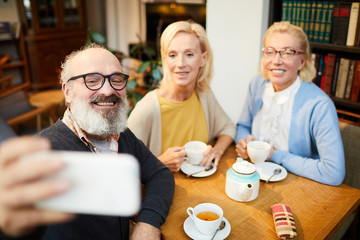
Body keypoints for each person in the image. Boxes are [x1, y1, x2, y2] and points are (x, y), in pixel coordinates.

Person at [0, 44, 175, 240]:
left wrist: (148, 222)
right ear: (67, 91)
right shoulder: (43, 154)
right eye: (92, 80)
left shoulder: (121, 134)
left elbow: (160, 174)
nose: (108, 90)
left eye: (116, 79)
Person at [235, 21, 345, 186]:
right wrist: (243, 142)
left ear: (302, 61)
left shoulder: (320, 105)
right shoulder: (257, 84)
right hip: (252, 176)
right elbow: (243, 125)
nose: (276, 61)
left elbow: (333, 172)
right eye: (270, 52)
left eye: (287, 52)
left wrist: (274, 155)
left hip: (296, 184)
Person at [128, 20, 236, 172]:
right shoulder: (148, 108)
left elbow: (228, 127)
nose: (180, 63)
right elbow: (124, 165)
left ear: (203, 58)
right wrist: (159, 163)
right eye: (172, 55)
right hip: (165, 192)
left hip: (203, 187)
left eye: (189, 54)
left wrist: (217, 150)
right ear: (165, 59)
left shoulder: (204, 95)